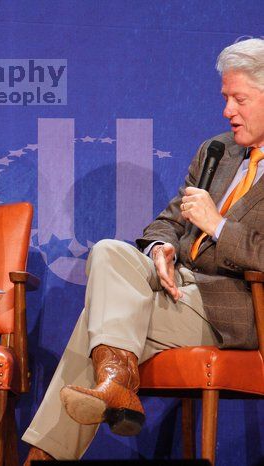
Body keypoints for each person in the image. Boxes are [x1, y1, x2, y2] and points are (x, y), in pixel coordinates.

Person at [23, 37, 264, 464]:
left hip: (234, 308)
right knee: (110, 251)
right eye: (225, 97)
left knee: (99, 321)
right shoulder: (218, 150)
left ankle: (49, 452)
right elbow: (168, 220)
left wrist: (218, 226)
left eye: (239, 99)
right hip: (179, 285)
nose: (227, 110)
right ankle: (116, 381)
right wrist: (161, 248)